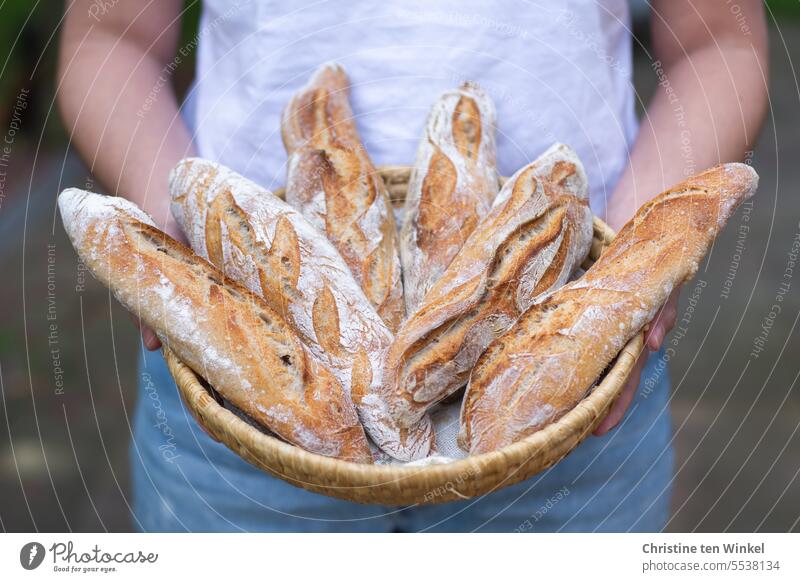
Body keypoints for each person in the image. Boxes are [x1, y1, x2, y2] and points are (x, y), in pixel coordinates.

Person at [57, 0, 768, 532]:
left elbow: (720, 42)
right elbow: (108, 37)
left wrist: (628, 274)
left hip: (573, 395)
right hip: (234, 399)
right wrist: (171, 260)